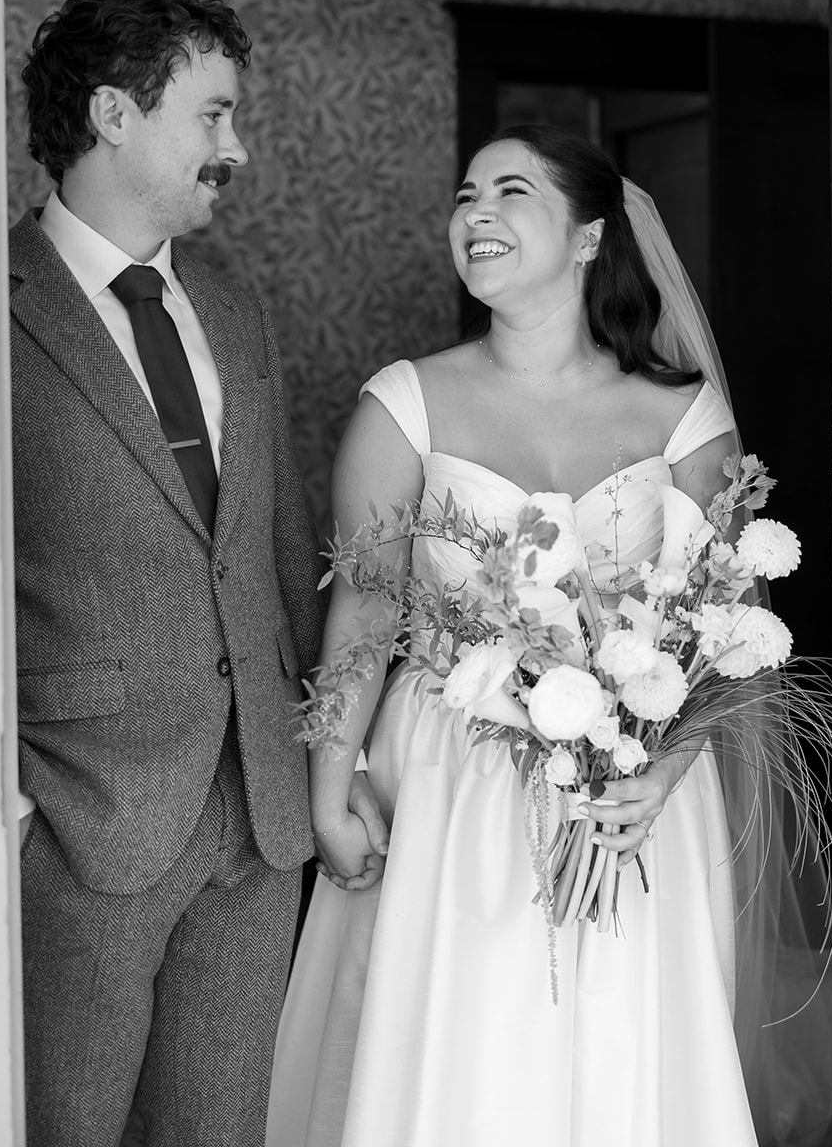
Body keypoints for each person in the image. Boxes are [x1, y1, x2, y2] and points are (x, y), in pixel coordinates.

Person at [266, 124, 801, 1147]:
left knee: (620, 1046)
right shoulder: (404, 403)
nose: (474, 215)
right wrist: (328, 792)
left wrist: (662, 766)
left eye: (509, 192)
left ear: (591, 235)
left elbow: (727, 629)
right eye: (464, 196)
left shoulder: (681, 417)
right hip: (447, 778)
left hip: (632, 801)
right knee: (462, 1052)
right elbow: (365, 606)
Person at [11, 0, 371, 1147]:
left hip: (259, 817)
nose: (238, 147)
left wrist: (324, 752)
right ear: (115, 114)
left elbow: (271, 546)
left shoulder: (230, 296)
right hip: (77, 813)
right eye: (211, 116)